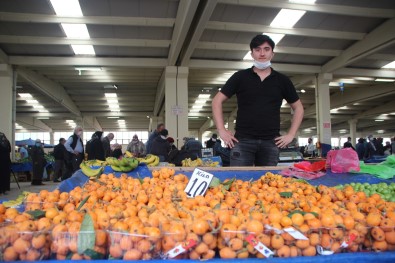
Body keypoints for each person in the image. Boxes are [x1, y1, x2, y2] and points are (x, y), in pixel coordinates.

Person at [212, 34, 304, 166]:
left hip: (271, 142)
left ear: (272, 53)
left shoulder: (282, 80)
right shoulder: (240, 77)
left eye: (266, 49)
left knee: (269, 184)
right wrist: (221, 130)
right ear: (252, 53)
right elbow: (216, 101)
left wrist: (291, 134)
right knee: (240, 184)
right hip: (242, 141)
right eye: (258, 49)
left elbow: (298, 107)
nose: (262, 53)